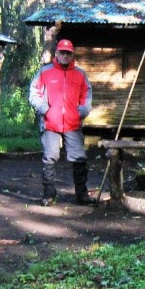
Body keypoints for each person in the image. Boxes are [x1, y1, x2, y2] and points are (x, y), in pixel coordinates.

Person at [28, 38, 94, 206]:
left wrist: (82, 111)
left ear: (72, 55)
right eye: (62, 52)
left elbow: (86, 95)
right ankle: (49, 195)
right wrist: (45, 109)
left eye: (68, 53)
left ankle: (82, 195)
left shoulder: (80, 74)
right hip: (51, 123)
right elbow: (34, 92)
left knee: (79, 158)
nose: (65, 55)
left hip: (73, 123)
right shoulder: (45, 72)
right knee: (49, 158)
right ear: (56, 53)